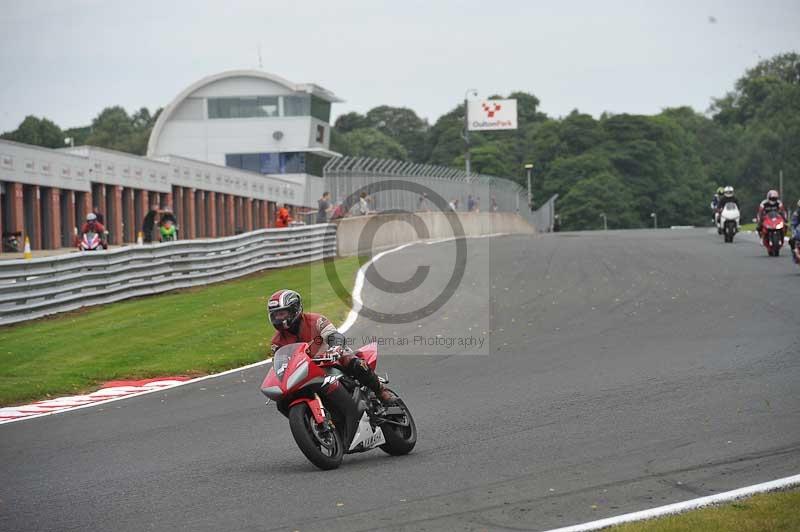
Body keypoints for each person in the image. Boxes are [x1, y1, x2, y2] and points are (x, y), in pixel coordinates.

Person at [268, 289, 396, 403]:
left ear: (294, 309)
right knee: (283, 400)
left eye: (282, 313)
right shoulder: (277, 341)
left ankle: (381, 391)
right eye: (275, 315)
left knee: (353, 362)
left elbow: (333, 335)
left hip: (332, 360)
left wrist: (336, 348)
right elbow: (279, 363)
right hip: (305, 372)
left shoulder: (316, 320)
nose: (278, 318)